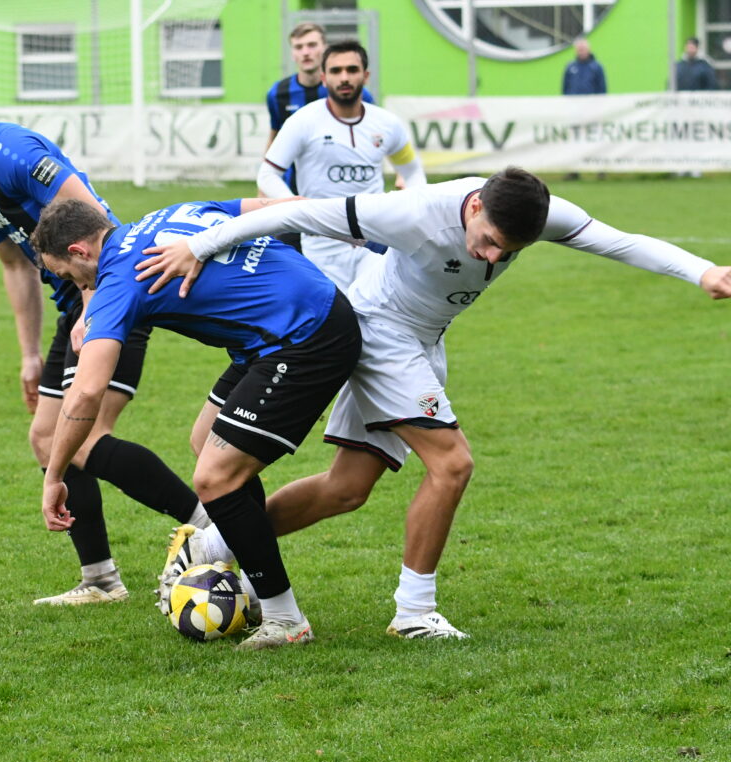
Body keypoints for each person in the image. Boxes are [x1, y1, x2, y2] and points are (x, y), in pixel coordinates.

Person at [137, 167, 731, 639]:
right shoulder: (414, 212)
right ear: (473, 208)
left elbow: (617, 242)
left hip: (422, 340)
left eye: (511, 251)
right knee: (452, 465)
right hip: (378, 330)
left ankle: (207, 545)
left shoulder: (534, 214)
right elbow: (300, 210)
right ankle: (414, 613)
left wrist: (702, 271)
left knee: (347, 489)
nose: (494, 258)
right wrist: (200, 245)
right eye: (490, 243)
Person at [0, 67, 210, 606]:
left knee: (83, 438)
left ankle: (213, 528)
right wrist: (29, 354)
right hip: (74, 304)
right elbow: (17, 268)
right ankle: (101, 580)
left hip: (113, 293)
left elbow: (97, 224)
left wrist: (93, 309)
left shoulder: (15, 154)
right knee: (47, 438)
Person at [31, 197, 361, 650]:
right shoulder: (165, 214)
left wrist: (54, 474)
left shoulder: (117, 279)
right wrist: (353, 220)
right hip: (284, 324)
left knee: (214, 477)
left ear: (80, 251)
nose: (76, 287)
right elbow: (266, 206)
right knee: (204, 438)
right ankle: (255, 585)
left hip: (305, 337)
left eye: (70, 277)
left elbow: (87, 391)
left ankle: (286, 620)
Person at [259, 38, 425, 289]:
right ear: (324, 78)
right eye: (336, 71)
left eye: (352, 70)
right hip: (322, 246)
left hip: (373, 242)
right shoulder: (302, 121)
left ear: (366, 76)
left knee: (376, 315)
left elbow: (412, 172)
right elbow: (267, 174)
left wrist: (409, 208)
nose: (344, 77)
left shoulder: (387, 124)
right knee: (337, 322)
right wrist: (298, 208)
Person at [265, 23, 376, 251]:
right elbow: (274, 138)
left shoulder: (354, 91)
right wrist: (265, 188)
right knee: (294, 265)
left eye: (312, 45)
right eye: (299, 46)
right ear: (293, 53)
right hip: (292, 196)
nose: (306, 51)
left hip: (341, 197)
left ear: (324, 48)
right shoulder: (278, 94)